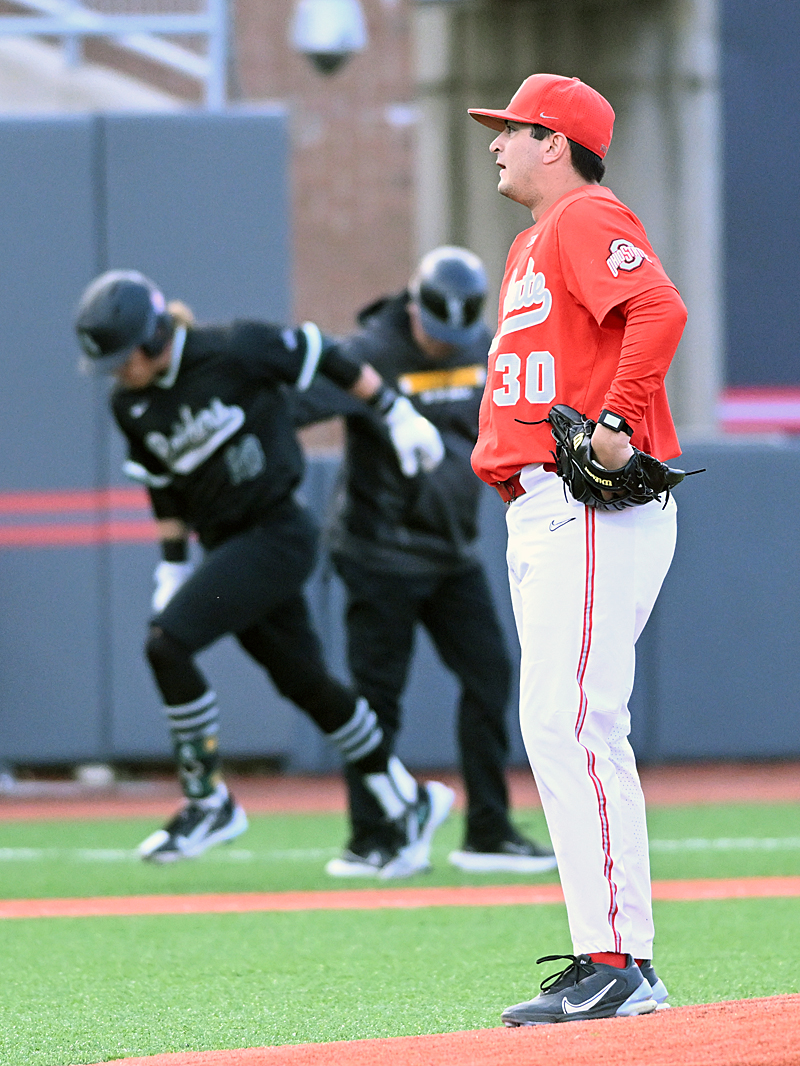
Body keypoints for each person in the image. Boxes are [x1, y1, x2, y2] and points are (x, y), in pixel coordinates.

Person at [74, 269, 455, 874]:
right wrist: (172, 567)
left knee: (167, 646)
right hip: (228, 545)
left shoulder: (233, 347)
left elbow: (325, 354)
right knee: (307, 684)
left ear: (151, 339)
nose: (119, 372)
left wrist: (394, 410)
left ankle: (208, 801)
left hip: (276, 532)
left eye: (124, 358)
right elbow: (165, 490)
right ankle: (402, 798)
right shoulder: (132, 403)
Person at [467, 74, 687, 1023]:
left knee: (571, 722)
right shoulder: (531, 241)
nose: (495, 145)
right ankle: (617, 957)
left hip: (583, 503)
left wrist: (611, 419)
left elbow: (660, 309)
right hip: (542, 508)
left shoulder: (585, 212)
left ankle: (618, 964)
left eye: (510, 130)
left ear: (554, 141)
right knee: (565, 723)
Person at [292, 247, 556, 878]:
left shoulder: (484, 349)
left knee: (490, 675)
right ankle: (373, 838)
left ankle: (488, 831)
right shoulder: (371, 354)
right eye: (436, 333)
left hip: (452, 553)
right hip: (376, 553)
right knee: (376, 697)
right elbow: (295, 407)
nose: (444, 347)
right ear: (414, 308)